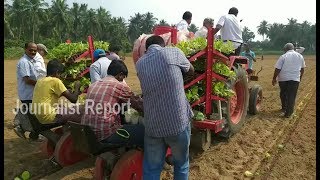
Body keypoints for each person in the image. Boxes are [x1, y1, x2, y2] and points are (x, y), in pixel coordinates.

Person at [136, 35, 194, 179]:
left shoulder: (140, 63)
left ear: (146, 49)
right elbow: (191, 70)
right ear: (163, 44)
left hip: (153, 126)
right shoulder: (173, 52)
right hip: (177, 123)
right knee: (181, 164)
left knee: (152, 168)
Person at [81, 60, 144, 148]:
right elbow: (138, 105)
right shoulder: (119, 86)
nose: (122, 81)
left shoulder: (93, 85)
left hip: (88, 132)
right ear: (120, 74)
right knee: (145, 132)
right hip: (105, 133)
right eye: (123, 78)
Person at [31, 59, 84, 124]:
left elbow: (50, 95)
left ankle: (65, 129)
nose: (60, 77)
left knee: (63, 106)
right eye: (60, 74)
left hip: (38, 115)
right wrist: (77, 87)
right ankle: (71, 132)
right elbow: (74, 100)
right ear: (56, 72)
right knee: (81, 110)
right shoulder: (55, 81)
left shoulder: (40, 81)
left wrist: (66, 91)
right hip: (49, 117)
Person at [272, 43, 306, 118]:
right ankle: (289, 113)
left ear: (285, 49)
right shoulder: (300, 56)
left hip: (283, 79)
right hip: (295, 79)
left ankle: (284, 108)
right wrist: (299, 78)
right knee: (291, 96)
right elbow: (302, 69)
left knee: (283, 94)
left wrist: (274, 78)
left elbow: (277, 68)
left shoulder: (283, 56)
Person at [14, 42, 38, 138]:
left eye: (35, 50)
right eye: (30, 50)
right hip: (27, 94)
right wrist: (41, 84)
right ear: (25, 49)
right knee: (33, 117)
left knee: (31, 114)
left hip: (31, 93)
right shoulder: (24, 62)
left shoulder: (31, 61)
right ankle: (22, 129)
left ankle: (33, 135)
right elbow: (27, 80)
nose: (33, 52)